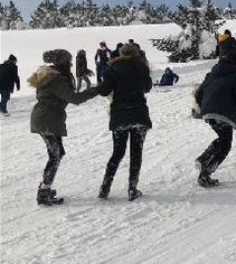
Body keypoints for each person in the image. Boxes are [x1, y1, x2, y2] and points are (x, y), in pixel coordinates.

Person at [28, 49, 98, 205]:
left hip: (45, 117)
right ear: (63, 62)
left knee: (58, 153)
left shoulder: (49, 76)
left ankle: (45, 188)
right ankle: (43, 192)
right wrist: (94, 91)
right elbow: (74, 98)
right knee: (55, 155)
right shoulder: (58, 79)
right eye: (69, 61)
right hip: (47, 119)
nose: (71, 64)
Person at [194, 36, 236, 188]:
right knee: (225, 146)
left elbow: (198, 93)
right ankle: (205, 174)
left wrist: (204, 107)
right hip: (224, 114)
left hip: (208, 113)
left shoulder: (213, 73)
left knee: (222, 139)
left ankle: (203, 159)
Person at [95, 44, 152, 201]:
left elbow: (104, 91)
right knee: (136, 152)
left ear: (121, 53)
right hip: (139, 114)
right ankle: (132, 189)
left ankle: (104, 189)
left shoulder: (112, 69)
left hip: (120, 115)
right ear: (136, 54)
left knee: (117, 152)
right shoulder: (142, 68)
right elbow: (147, 88)